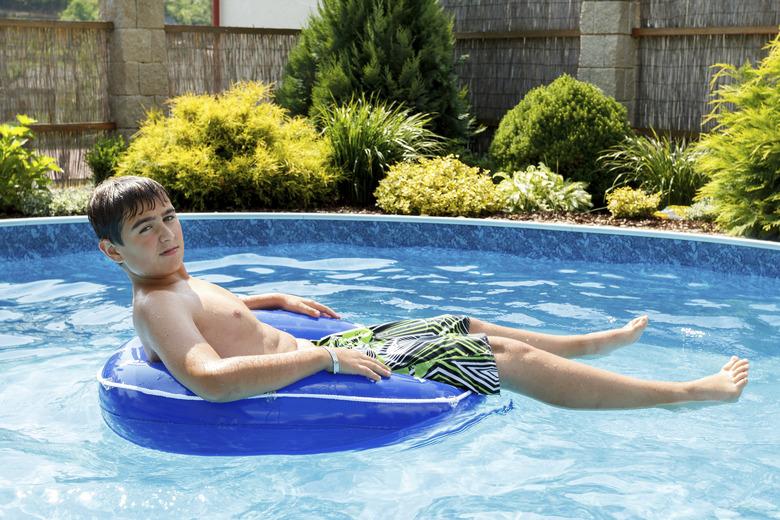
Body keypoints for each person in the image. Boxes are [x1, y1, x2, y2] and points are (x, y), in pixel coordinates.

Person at [87, 176, 749, 408]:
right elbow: (208, 376)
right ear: (112, 251)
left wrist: (269, 303)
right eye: (146, 229)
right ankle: (685, 395)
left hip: (326, 354)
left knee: (460, 320)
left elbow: (210, 313)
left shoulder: (173, 282)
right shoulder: (154, 303)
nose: (167, 234)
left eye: (170, 216)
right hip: (321, 373)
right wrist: (323, 358)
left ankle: (585, 343)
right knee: (494, 358)